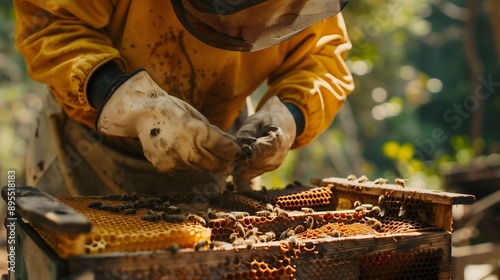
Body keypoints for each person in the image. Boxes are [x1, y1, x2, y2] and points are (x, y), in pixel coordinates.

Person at [14, 0, 354, 196]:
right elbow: (52, 24)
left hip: (222, 151)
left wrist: (289, 117)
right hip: (87, 150)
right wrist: (130, 104)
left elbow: (321, 59)